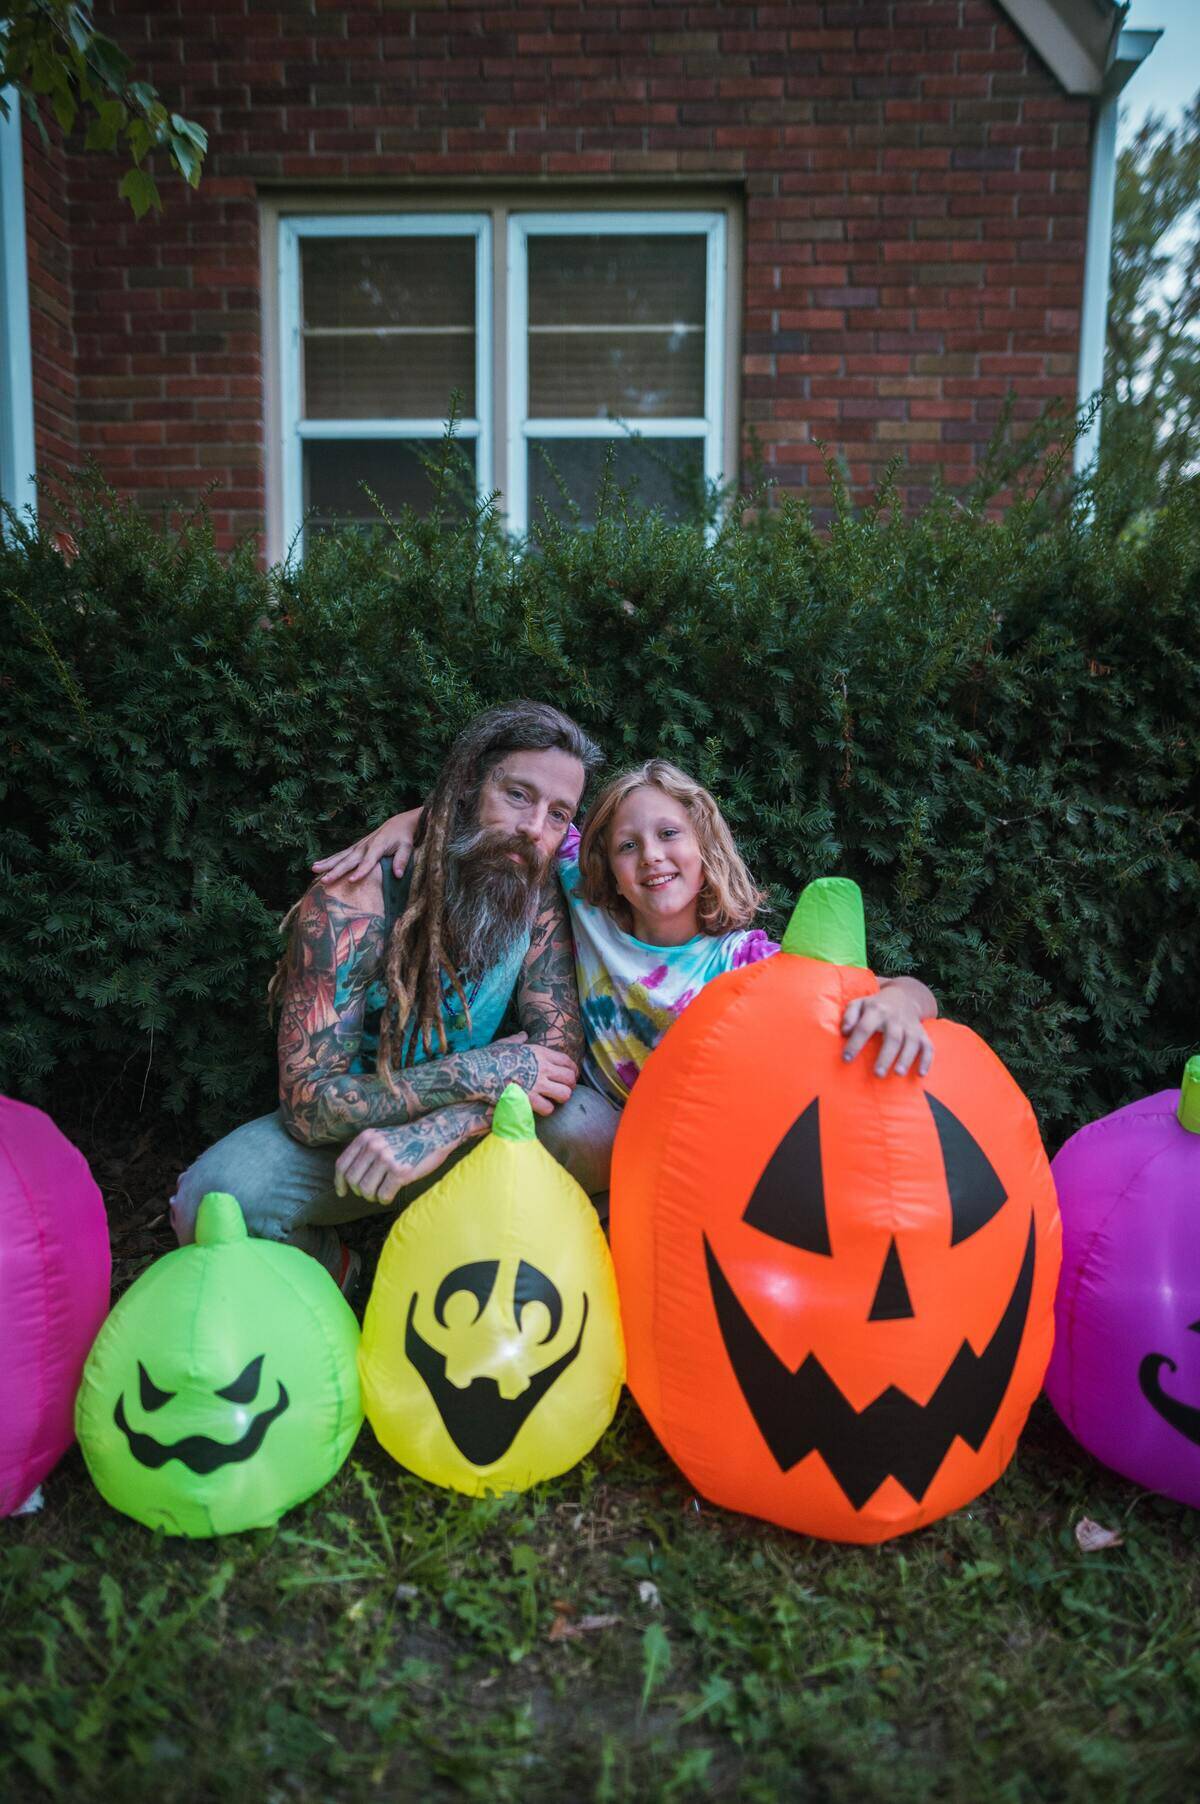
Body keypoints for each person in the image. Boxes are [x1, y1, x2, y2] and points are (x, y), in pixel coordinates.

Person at [171, 701, 612, 1285]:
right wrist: (486, 1070)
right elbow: (307, 1108)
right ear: (465, 789)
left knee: (596, 1130)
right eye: (517, 795)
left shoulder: (533, 884)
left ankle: (476, 1269)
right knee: (211, 1200)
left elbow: (554, 1055)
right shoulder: (352, 902)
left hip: (465, 1134)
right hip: (348, 1140)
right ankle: (343, 1275)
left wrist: (441, 1128)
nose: (534, 828)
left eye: (559, 814)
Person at [318, 757, 936, 1169]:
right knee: (554, 1127)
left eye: (670, 835)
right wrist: (410, 822)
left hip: (696, 1148)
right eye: (628, 846)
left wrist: (904, 1000)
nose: (651, 859)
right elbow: (510, 826)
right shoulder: (587, 903)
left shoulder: (745, 962)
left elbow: (872, 989)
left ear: (704, 845)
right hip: (600, 1119)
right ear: (605, 864)